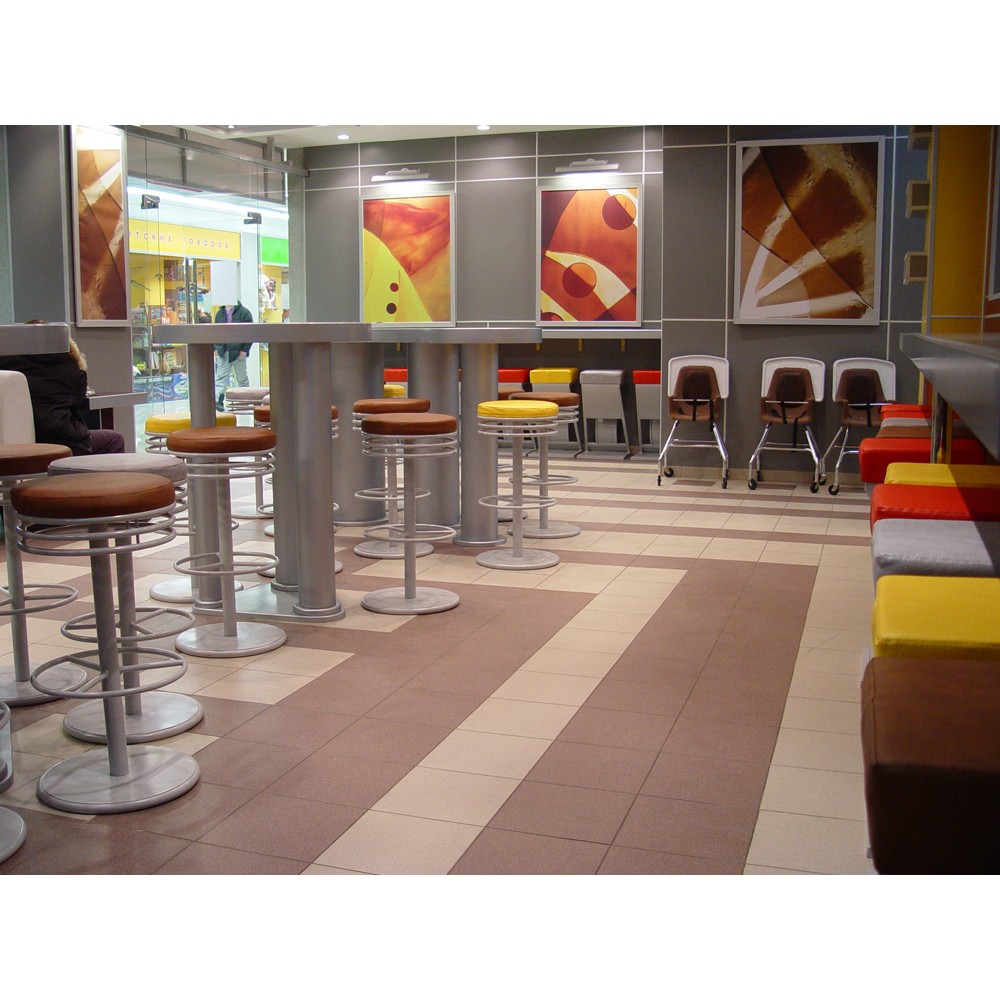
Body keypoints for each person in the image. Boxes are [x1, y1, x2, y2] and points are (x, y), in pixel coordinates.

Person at [0, 334, 126, 456]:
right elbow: (79, 400)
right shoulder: (67, 367)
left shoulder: (8, 363)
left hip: (25, 440)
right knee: (115, 439)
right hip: (64, 439)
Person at [213, 300, 254, 411]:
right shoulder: (220, 313)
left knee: (241, 377)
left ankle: (245, 401)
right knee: (221, 377)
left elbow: (250, 332)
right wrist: (217, 348)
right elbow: (215, 332)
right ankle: (218, 401)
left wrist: (244, 350)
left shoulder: (244, 312)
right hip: (223, 352)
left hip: (239, 352)